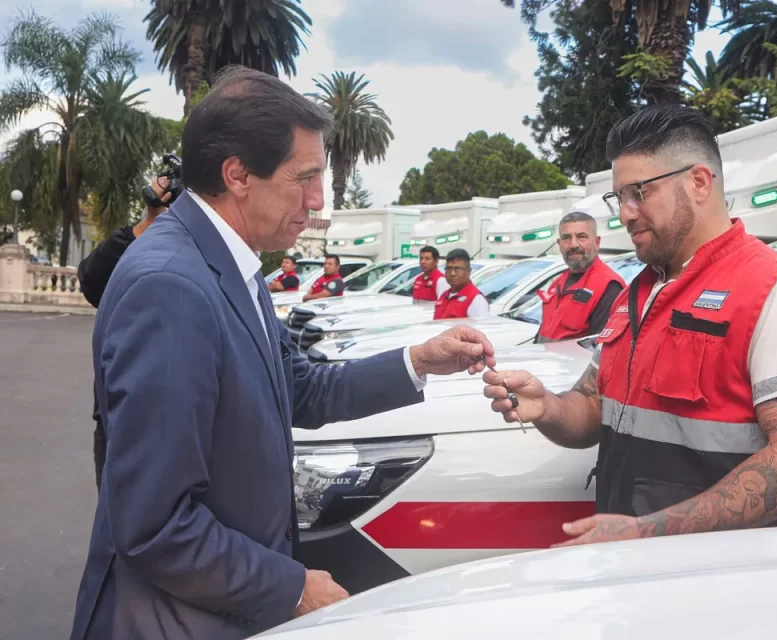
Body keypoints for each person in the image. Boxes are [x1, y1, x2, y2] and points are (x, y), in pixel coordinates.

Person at [70, 66, 497, 640]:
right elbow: (154, 525)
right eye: (305, 177)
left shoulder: (226, 264)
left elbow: (299, 388)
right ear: (238, 175)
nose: (319, 201)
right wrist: (291, 588)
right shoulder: (170, 287)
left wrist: (417, 360)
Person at [484, 105, 777, 548]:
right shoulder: (638, 294)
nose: (625, 213)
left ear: (698, 183)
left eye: (638, 192)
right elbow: (592, 408)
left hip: (725, 587)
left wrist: (645, 532)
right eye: (618, 197)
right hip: (637, 571)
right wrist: (546, 408)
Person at [77, 175, 172, 491]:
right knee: (118, 529)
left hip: (181, 426)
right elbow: (92, 281)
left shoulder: (219, 256)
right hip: (120, 417)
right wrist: (148, 224)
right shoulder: (142, 245)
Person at [535, 210, 626, 343]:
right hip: (546, 361)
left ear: (597, 242)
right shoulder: (557, 284)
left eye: (581, 236)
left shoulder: (609, 287)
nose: (573, 245)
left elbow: (598, 350)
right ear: (559, 244)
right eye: (566, 238)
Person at [434, 248, 490, 320]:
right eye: (449, 268)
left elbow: (480, 329)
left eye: (457, 269)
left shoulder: (475, 299)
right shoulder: (444, 296)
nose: (452, 273)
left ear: (469, 271)